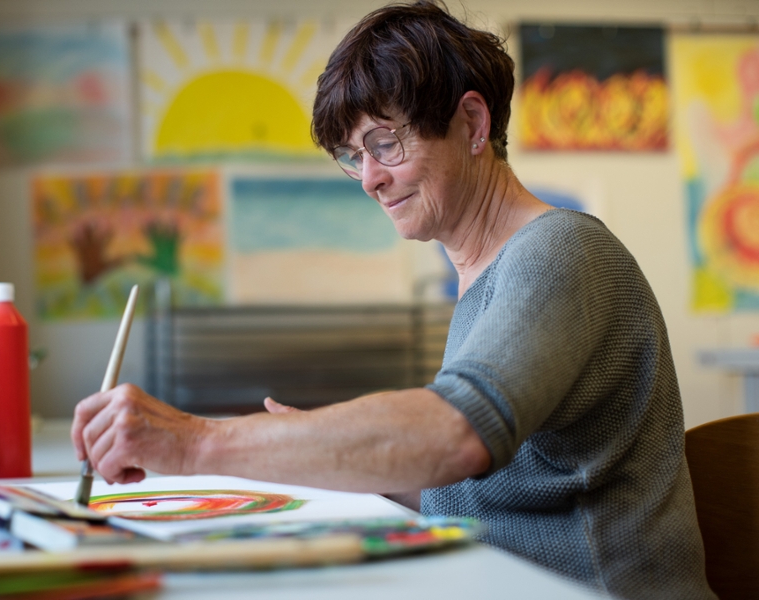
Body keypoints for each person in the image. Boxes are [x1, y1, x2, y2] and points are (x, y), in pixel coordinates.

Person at [72, 3, 715, 598]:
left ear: (471, 123)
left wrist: (192, 443)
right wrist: (312, 448)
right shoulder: (487, 273)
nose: (370, 179)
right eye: (356, 157)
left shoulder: (561, 253)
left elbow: (454, 436)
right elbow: (482, 487)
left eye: (384, 144)